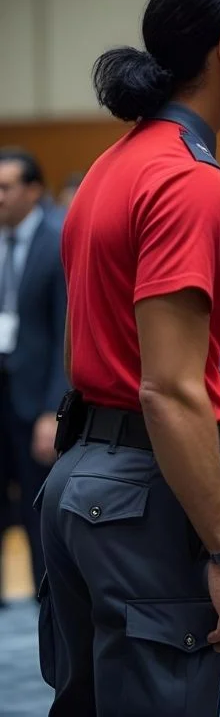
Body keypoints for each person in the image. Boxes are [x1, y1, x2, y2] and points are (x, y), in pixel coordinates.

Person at [36, 0, 220, 716]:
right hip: (143, 500)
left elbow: (123, 362)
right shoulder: (188, 179)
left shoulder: (113, 164)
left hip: (84, 483)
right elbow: (169, 386)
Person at [0, 148, 67, 599]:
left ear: (34, 190)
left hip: (33, 400)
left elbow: (68, 334)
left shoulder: (57, 241)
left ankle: (49, 600)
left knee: (37, 507)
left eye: (6, 188)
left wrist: (52, 410)